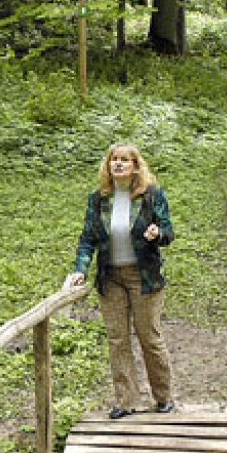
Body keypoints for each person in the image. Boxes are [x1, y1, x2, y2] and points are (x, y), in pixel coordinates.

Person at [65, 143, 175, 420]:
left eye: (125, 160)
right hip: (110, 277)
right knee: (117, 339)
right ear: (108, 165)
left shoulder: (151, 195)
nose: (118, 164)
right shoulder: (99, 198)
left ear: (135, 166)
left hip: (143, 276)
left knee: (149, 336)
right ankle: (125, 401)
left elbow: (168, 231)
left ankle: (163, 397)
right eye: (114, 159)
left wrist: (157, 232)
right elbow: (87, 238)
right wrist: (80, 269)